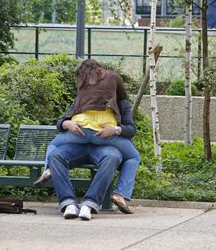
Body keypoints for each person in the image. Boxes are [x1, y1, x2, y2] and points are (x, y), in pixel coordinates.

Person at [33, 59, 139, 214]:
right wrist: (67, 124)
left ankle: (49, 171)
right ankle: (117, 195)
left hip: (93, 141)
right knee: (133, 157)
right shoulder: (87, 99)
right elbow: (61, 121)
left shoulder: (96, 100)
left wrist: (115, 129)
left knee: (54, 146)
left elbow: (130, 129)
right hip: (93, 139)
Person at [49, 143, 123, 220]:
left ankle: (89, 204)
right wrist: (66, 129)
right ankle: (68, 203)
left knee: (112, 156)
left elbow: (130, 130)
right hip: (75, 145)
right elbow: (60, 131)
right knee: (55, 156)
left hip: (105, 147)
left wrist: (116, 130)